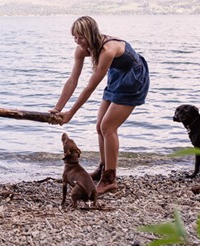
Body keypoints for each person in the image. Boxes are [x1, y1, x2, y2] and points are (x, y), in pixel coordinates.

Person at [50, 16, 149, 195]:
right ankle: (103, 169)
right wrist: (58, 108)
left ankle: (110, 180)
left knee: (108, 127)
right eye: (74, 37)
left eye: (80, 37)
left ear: (90, 34)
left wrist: (71, 113)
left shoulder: (107, 50)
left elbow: (90, 87)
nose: (77, 41)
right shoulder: (80, 50)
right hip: (117, 76)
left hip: (133, 78)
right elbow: (73, 81)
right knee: (99, 126)